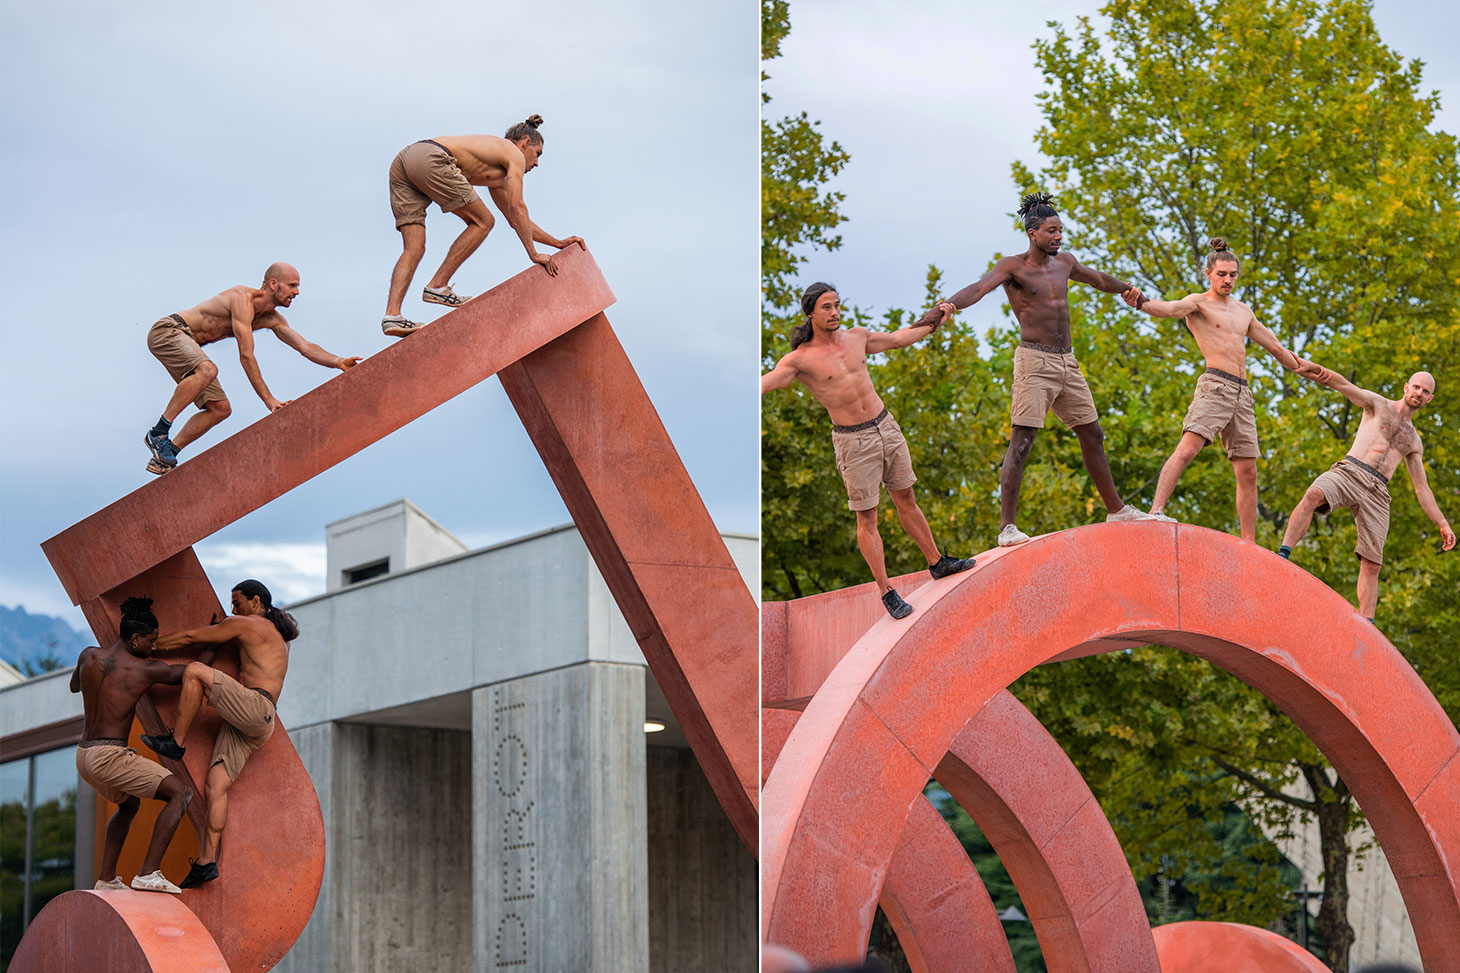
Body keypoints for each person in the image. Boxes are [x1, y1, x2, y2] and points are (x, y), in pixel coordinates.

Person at [916, 193, 1152, 546]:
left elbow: (1098, 278)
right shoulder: (1013, 268)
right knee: (1022, 441)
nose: (1058, 237)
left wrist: (1129, 291)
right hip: (1034, 362)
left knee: (1093, 435)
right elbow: (980, 288)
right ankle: (1007, 528)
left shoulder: (1065, 263)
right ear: (1033, 234)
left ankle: (1116, 509)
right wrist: (948, 305)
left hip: (1067, 363)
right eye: (1052, 231)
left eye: (1060, 231)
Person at [762, 283, 975, 619]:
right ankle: (886, 590)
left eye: (836, 305)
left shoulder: (857, 337)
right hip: (853, 440)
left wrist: (936, 318)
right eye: (826, 308)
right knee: (867, 516)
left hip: (885, 426)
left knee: (906, 498)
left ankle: (937, 562)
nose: (834, 313)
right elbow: (767, 382)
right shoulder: (799, 360)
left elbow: (900, 338)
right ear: (810, 314)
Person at [1121, 239, 1304, 541]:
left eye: (1233, 275)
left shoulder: (1244, 311)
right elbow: (1168, 309)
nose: (1228, 280)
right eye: (1222, 274)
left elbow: (1275, 346)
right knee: (1189, 448)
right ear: (1208, 273)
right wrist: (1140, 302)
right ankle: (1157, 510)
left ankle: (1249, 542)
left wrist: (1303, 367)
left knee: (1248, 470)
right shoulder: (1198, 303)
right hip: (1215, 385)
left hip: (1242, 393)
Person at [141, 580, 297, 888]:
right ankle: (207, 861)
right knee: (216, 786)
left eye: (237, 602)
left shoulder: (250, 624)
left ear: (256, 602)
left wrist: (151, 645)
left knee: (194, 672)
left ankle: (176, 742)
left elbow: (190, 637)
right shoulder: (278, 637)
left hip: (254, 705)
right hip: (261, 721)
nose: (232, 609)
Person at [142, 263, 361, 474]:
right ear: (274, 284)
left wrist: (338, 362)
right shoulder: (241, 300)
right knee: (208, 370)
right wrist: (269, 400)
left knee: (220, 409)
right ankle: (158, 432)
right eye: (292, 285)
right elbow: (246, 356)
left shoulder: (272, 318)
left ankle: (166, 455)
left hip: (188, 343)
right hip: (170, 331)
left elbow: (304, 346)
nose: (297, 292)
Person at [380, 115, 585, 337]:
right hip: (433, 156)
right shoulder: (513, 153)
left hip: (405, 160)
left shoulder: (494, 170)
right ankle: (438, 286)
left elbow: (517, 220)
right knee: (483, 221)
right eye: (537, 154)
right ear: (525, 144)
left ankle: (392, 316)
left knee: (414, 247)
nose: (537, 163)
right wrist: (533, 254)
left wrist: (557, 243)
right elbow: (518, 207)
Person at [1278, 365, 1454, 620]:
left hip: (1378, 491)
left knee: (1372, 561)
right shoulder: (1378, 405)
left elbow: (1421, 487)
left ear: (1430, 398)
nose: (1419, 393)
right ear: (1406, 387)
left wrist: (1442, 522)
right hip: (1351, 470)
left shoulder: (1414, 440)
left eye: (1425, 391)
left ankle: (1367, 623)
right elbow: (1343, 385)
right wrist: (1314, 370)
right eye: (1416, 387)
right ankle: (1283, 554)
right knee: (1314, 494)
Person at [68, 597, 194, 894]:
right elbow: (190, 674)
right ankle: (149, 873)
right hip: (110, 755)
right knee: (180, 793)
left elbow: (75, 686)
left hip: (84, 756)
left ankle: (106, 878)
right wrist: (214, 646)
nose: (153, 647)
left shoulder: (88, 655)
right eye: (151, 641)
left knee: (128, 804)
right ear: (134, 638)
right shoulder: (144, 670)